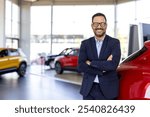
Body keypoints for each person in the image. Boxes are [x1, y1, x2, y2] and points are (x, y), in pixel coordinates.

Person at [78, 13, 121, 100]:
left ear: (106, 25)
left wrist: (91, 63)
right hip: (88, 90)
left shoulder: (114, 43)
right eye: (96, 23)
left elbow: (113, 65)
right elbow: (81, 66)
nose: (99, 26)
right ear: (92, 25)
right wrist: (103, 68)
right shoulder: (85, 43)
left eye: (102, 23)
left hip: (108, 90)